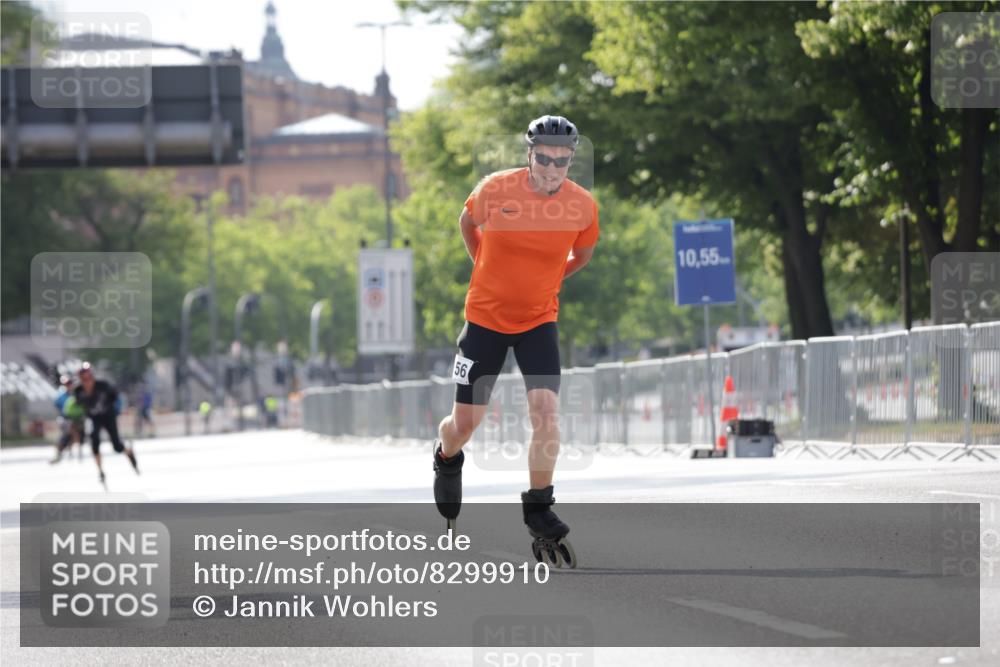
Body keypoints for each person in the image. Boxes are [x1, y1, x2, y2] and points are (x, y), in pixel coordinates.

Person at [432, 115, 599, 566]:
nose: (551, 169)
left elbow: (581, 253)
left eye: (561, 162)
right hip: (484, 320)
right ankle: (445, 455)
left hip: (537, 322)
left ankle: (540, 508)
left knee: (545, 412)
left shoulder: (581, 206)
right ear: (529, 154)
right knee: (464, 425)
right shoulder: (496, 190)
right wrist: (482, 266)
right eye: (543, 158)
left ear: (569, 162)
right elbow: (467, 223)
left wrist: (548, 282)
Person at [73, 362, 139, 486]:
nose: (87, 382)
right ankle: (100, 471)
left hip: (108, 416)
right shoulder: (78, 390)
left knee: (117, 446)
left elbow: (115, 396)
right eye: (84, 379)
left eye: (88, 378)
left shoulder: (103, 386)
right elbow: (78, 405)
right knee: (94, 441)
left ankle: (129, 452)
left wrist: (117, 410)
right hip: (94, 417)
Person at [49, 375, 85, 464]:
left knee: (80, 431)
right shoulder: (61, 395)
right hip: (65, 418)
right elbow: (58, 407)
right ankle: (60, 452)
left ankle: (77, 448)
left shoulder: (76, 393)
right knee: (67, 432)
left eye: (69, 383)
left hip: (77, 417)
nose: (68, 385)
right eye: (66, 384)